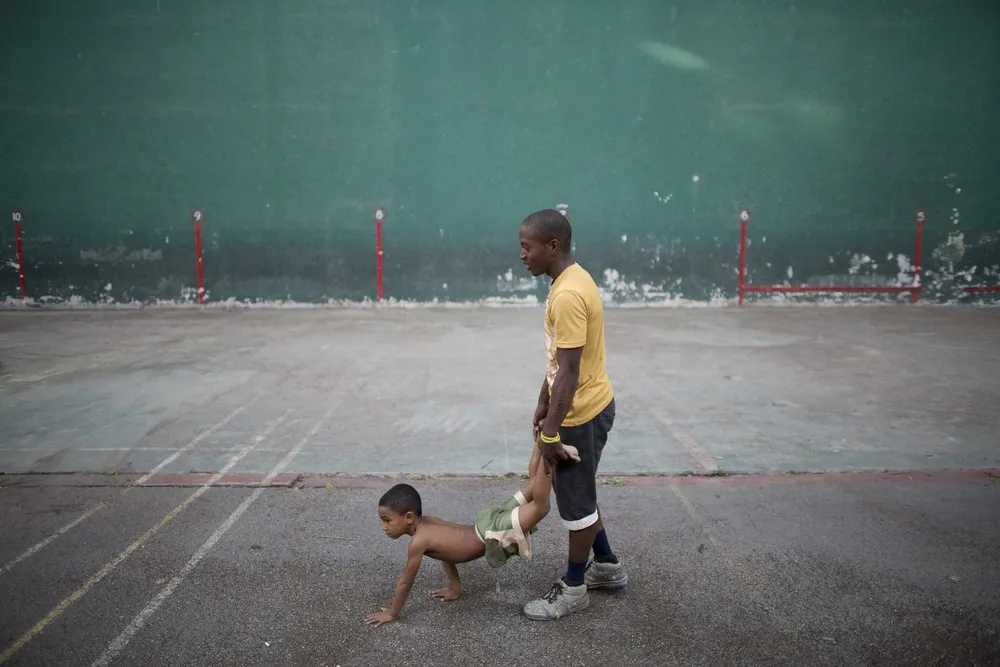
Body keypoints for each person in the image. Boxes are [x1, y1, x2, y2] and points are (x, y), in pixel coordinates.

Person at [517, 207, 627, 621]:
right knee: (581, 494)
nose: (522, 255)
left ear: (553, 246)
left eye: (527, 248)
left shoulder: (566, 295)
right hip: (583, 406)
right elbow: (559, 364)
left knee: (576, 505)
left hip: (580, 416)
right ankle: (607, 566)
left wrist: (550, 432)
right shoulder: (572, 279)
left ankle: (574, 587)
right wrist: (544, 402)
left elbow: (569, 371)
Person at [364, 440, 580, 627]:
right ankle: (542, 441)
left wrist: (392, 613)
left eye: (387, 520)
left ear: (408, 517)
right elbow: (446, 556)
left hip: (491, 531)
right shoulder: (428, 523)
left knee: (541, 507)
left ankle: (549, 454)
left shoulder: (418, 541)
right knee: (533, 486)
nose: (384, 527)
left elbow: (405, 581)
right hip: (487, 522)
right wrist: (454, 589)